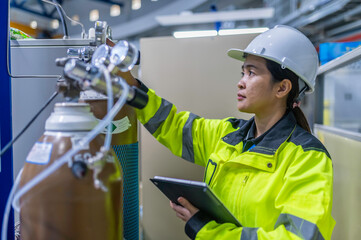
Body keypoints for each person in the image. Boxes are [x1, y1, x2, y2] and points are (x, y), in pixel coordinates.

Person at [128, 25, 335, 239]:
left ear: (282, 88)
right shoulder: (228, 135)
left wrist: (207, 230)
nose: (240, 82)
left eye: (252, 73)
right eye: (243, 72)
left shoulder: (307, 158)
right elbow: (172, 125)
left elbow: (298, 237)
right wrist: (131, 88)